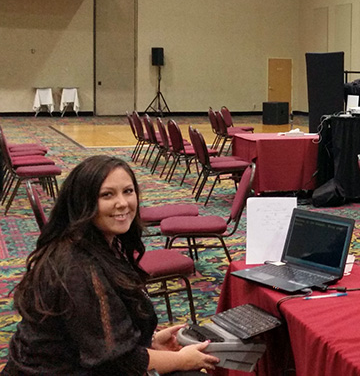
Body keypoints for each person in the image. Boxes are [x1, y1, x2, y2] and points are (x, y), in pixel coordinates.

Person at [3, 155, 219, 375]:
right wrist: (182, 360)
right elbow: (120, 362)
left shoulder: (96, 243)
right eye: (107, 195)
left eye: (128, 191)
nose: (123, 203)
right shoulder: (78, 267)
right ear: (83, 203)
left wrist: (150, 342)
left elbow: (94, 336)